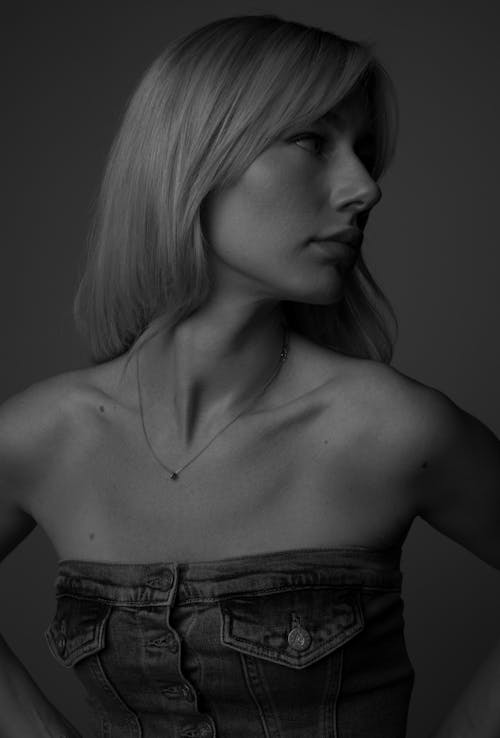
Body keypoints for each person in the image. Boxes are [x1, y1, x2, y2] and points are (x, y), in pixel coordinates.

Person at [1, 13, 499, 738]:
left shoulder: (389, 428)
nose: (365, 188)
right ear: (193, 156)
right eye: (311, 140)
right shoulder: (43, 435)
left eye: (362, 151)